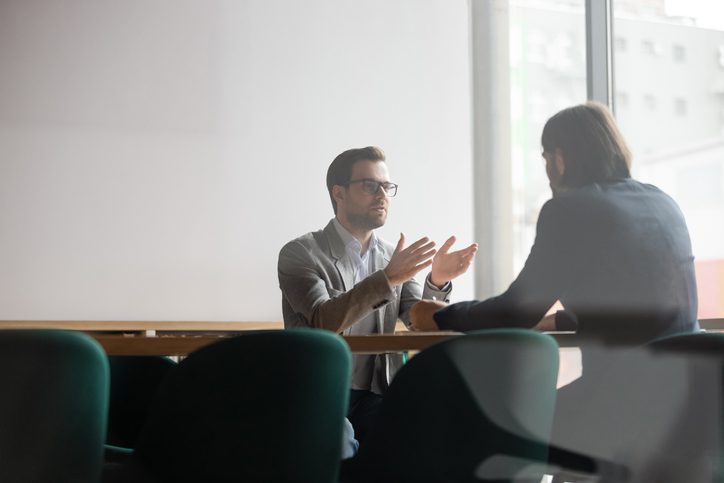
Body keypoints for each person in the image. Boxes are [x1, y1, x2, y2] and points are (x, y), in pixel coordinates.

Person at [410, 101, 698, 345]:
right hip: (694, 389)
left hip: (629, 391)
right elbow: (638, 296)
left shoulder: (570, 211)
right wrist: (560, 319)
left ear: (559, 159)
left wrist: (439, 315)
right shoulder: (663, 202)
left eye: (545, 158)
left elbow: (516, 311)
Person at [278, 146, 477, 447]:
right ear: (338, 193)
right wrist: (388, 278)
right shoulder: (300, 253)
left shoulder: (390, 256)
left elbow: (418, 321)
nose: (382, 194)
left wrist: (437, 281)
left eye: (386, 186)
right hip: (318, 391)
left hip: (378, 394)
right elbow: (322, 319)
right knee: (339, 444)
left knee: (430, 430)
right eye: (370, 185)